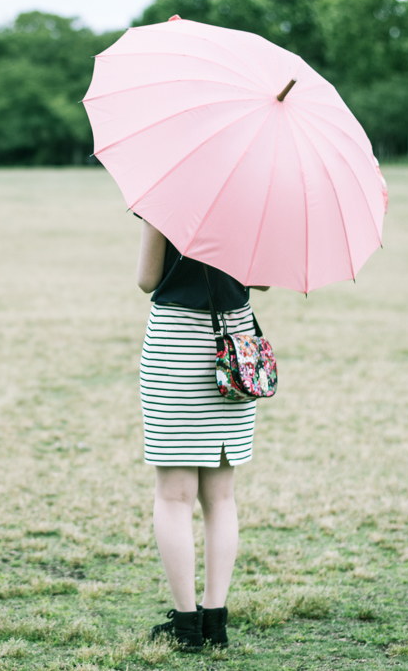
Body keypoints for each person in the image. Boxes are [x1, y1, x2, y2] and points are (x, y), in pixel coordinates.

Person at [136, 219, 268, 650]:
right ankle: (216, 620)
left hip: (176, 343)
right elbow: (262, 282)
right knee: (221, 496)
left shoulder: (168, 193)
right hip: (234, 347)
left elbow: (147, 279)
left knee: (174, 496)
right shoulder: (256, 195)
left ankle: (187, 625)